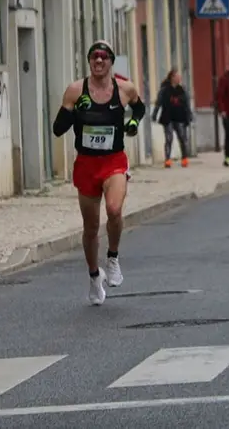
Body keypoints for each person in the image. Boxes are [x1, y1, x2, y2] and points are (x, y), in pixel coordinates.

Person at [52, 40, 145, 305]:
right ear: (90, 61)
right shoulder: (75, 90)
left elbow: (140, 108)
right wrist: (74, 111)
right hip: (86, 163)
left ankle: (113, 258)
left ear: (111, 61)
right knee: (91, 226)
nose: (99, 61)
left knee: (114, 210)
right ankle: (94, 277)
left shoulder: (124, 89)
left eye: (104, 57)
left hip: (113, 160)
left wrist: (134, 123)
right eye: (94, 56)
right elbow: (58, 129)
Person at [155, 68, 191, 168]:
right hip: (168, 117)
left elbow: (187, 104)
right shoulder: (165, 89)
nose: (179, 78)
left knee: (182, 138)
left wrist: (189, 115)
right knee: (169, 138)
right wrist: (155, 114)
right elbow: (159, 102)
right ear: (172, 78)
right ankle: (167, 160)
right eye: (177, 76)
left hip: (180, 116)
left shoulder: (182, 90)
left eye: (179, 77)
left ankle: (184, 158)